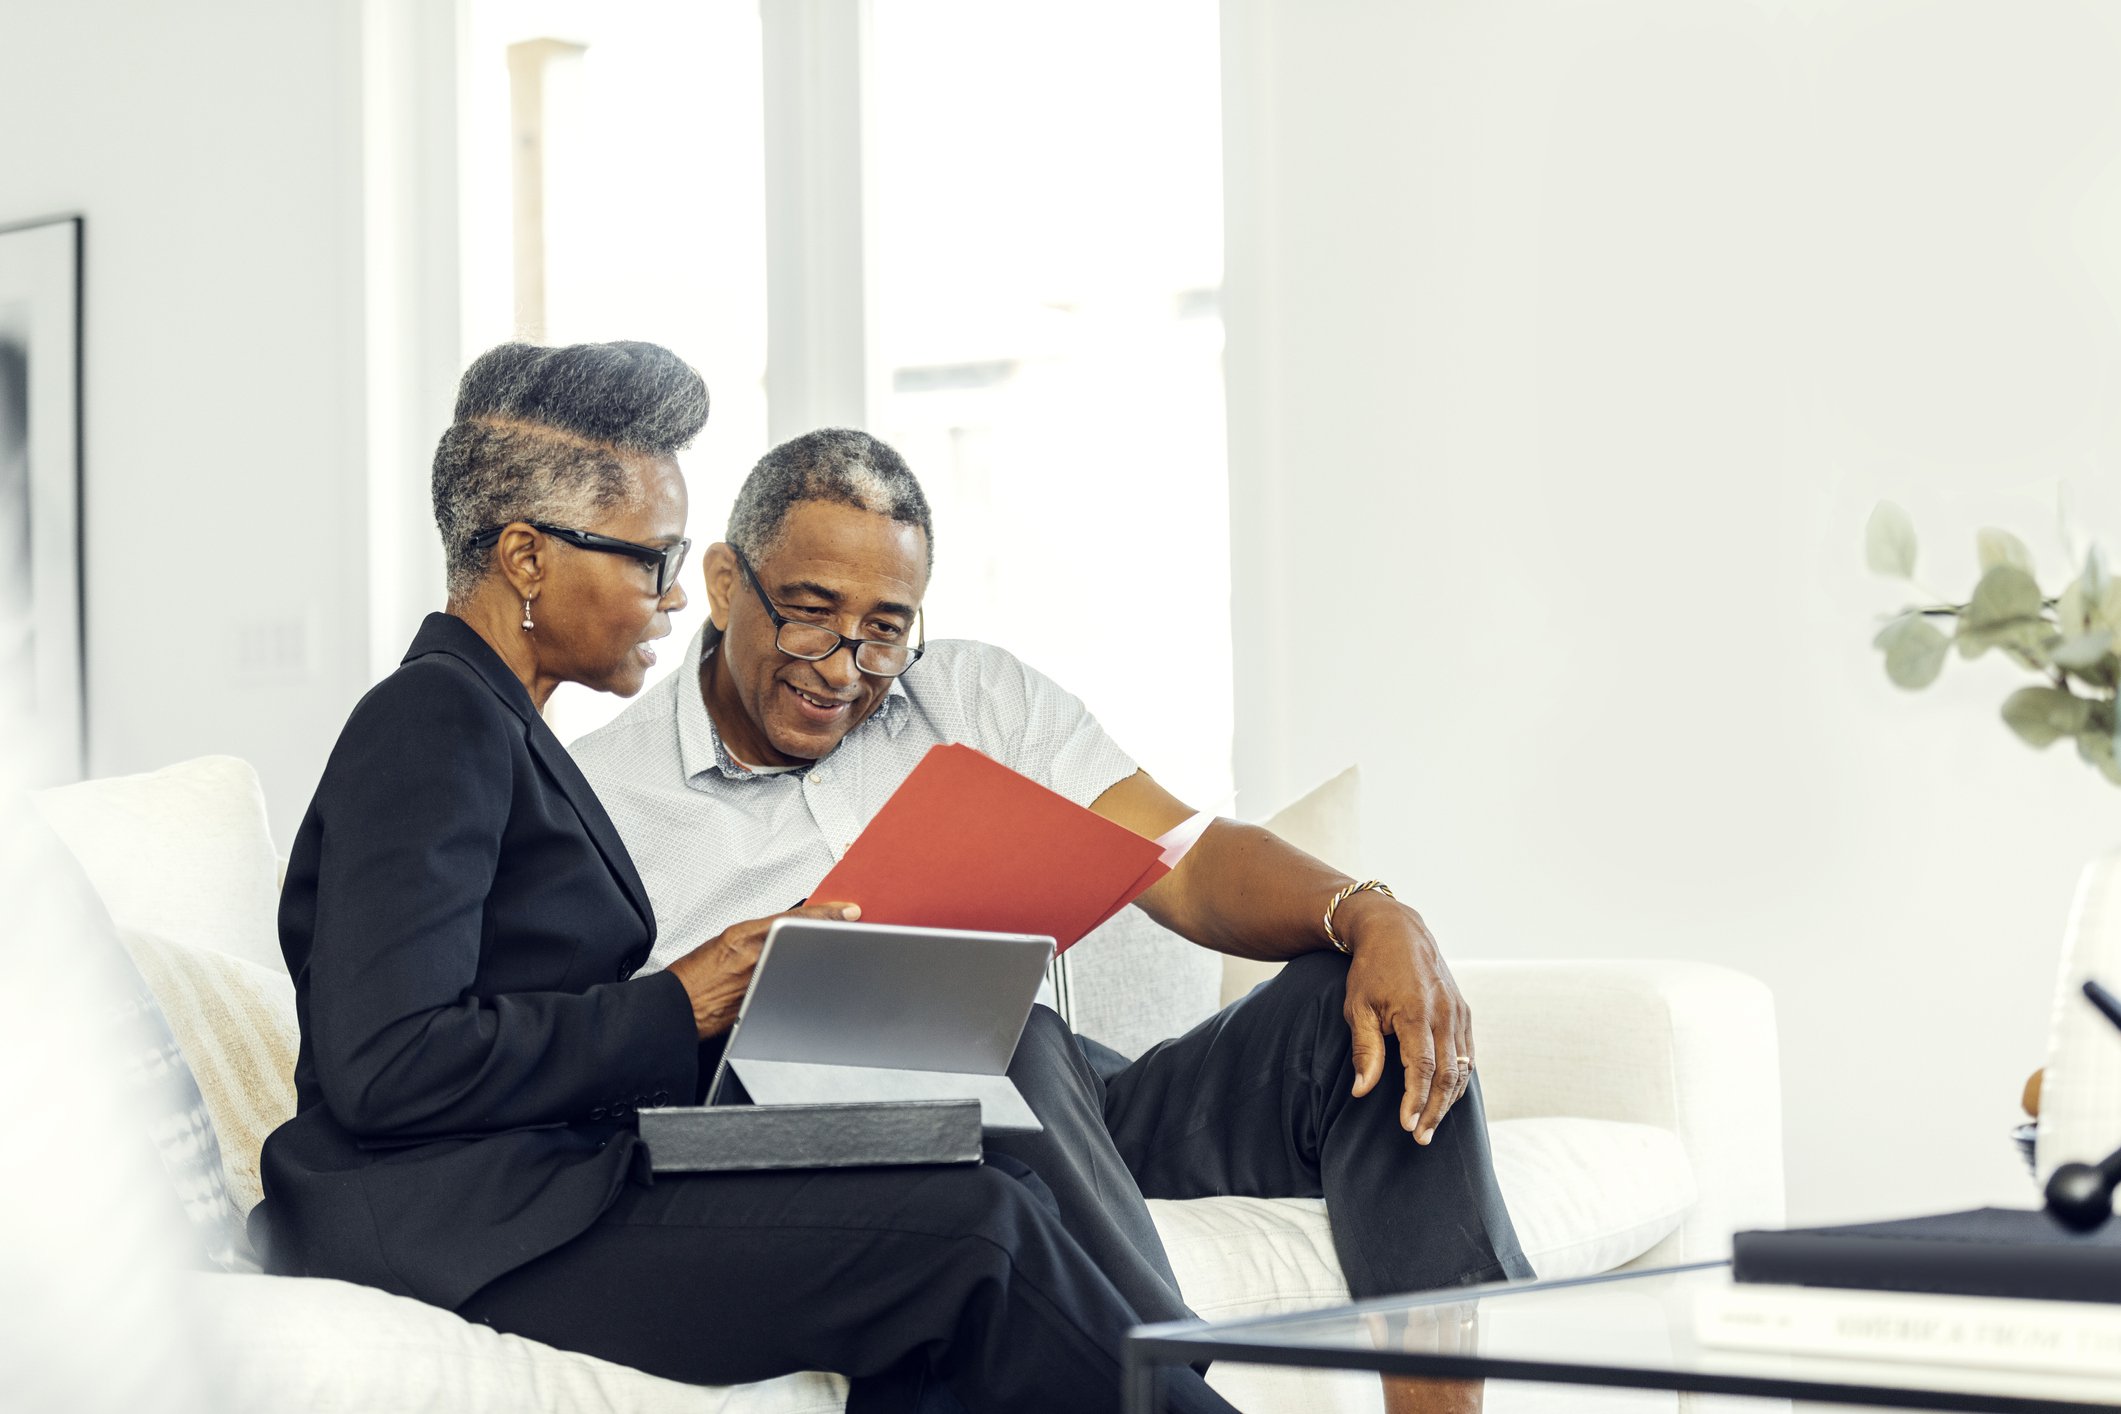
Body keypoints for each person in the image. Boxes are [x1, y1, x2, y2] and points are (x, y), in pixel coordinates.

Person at [251, 343, 1243, 1414]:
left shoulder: (497, 727)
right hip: (473, 1219)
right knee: (976, 1232)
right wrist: (682, 999)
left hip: (557, 1175)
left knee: (973, 1165)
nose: (679, 597)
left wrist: (761, 1007)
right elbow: (385, 1063)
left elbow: (507, 1022)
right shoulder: (429, 717)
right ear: (528, 558)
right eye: (649, 559)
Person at [572, 429, 1536, 1334]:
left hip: (1053, 1107)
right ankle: (1165, 1382)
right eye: (811, 616)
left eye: (885, 630)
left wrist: (1371, 914)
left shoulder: (975, 696)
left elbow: (1189, 859)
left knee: (1350, 1005)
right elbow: (592, 1073)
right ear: (725, 583)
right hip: (815, 1155)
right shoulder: (600, 798)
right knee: (986, 1025)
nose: (845, 669)